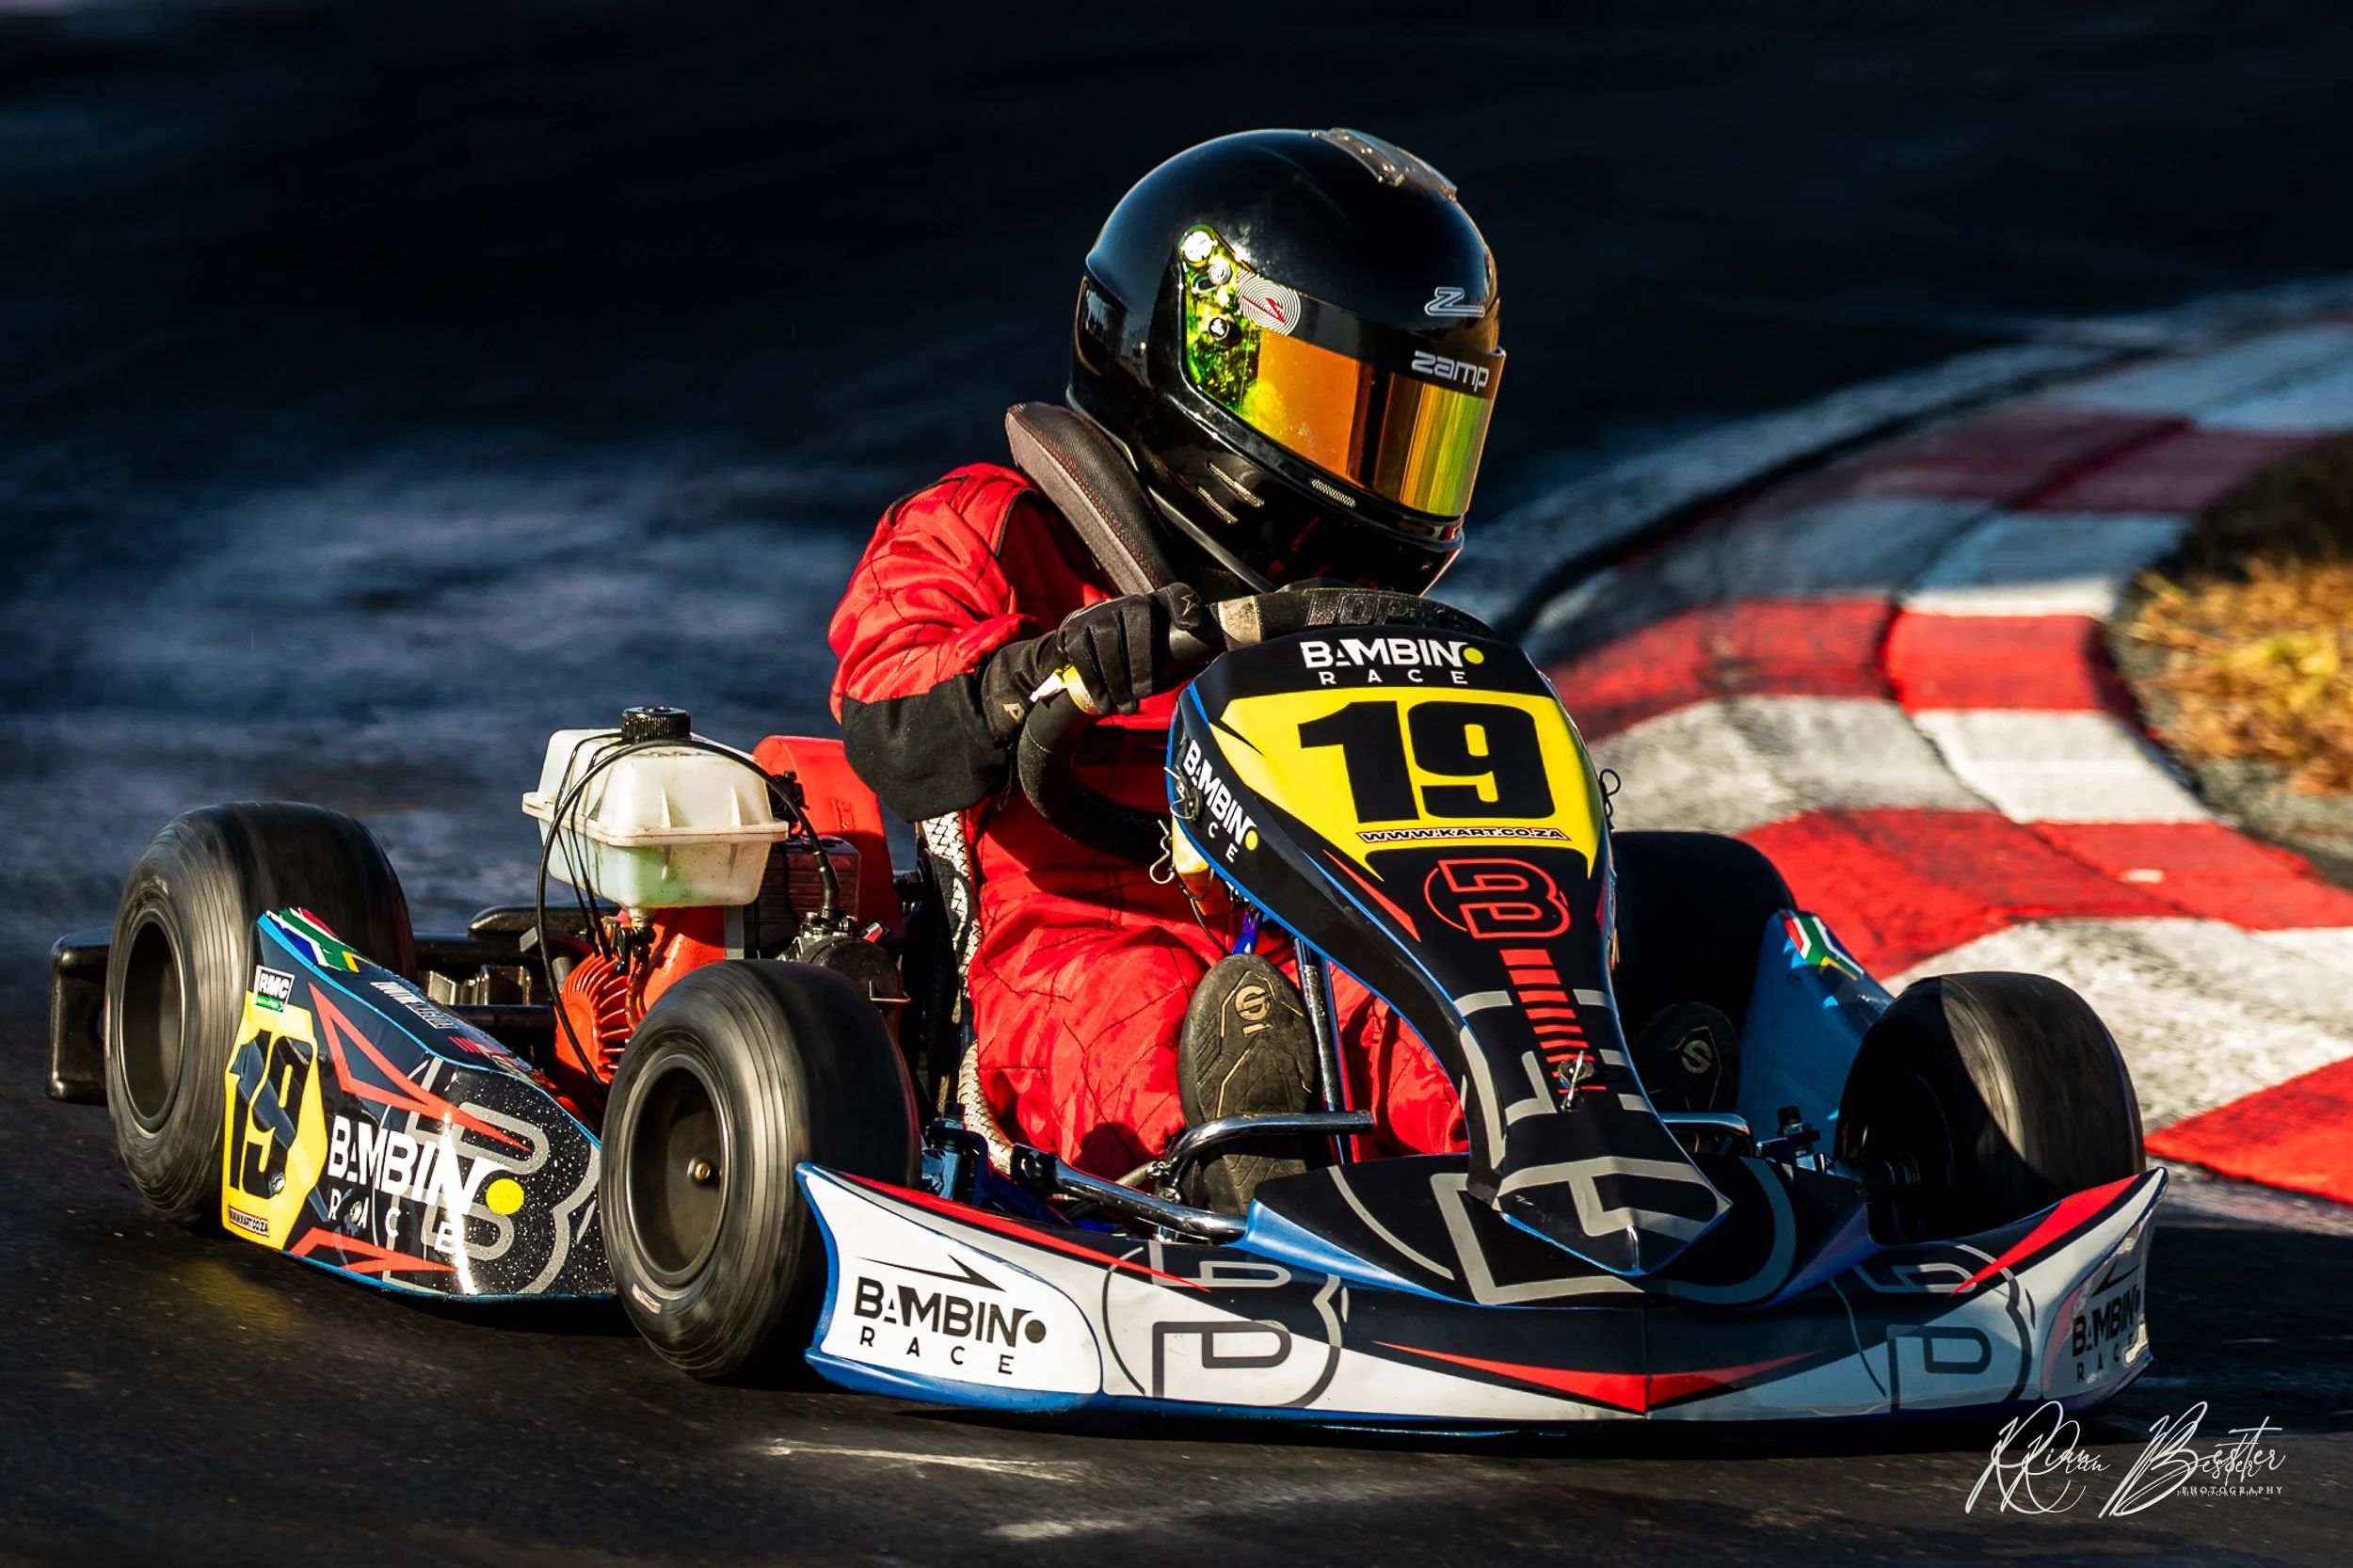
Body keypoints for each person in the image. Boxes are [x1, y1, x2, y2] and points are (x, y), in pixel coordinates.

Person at [827, 129, 1504, 1203]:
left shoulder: (1340, 613)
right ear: (1195, 364)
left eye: (1411, 432)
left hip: (1312, 935)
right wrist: (1044, 668)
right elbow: (894, 725)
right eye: (1340, 416)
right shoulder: (982, 527)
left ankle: (1591, 1165)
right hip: (1075, 940)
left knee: (1460, 1033)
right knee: (1168, 1030)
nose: (1376, 475)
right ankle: (1248, 1191)